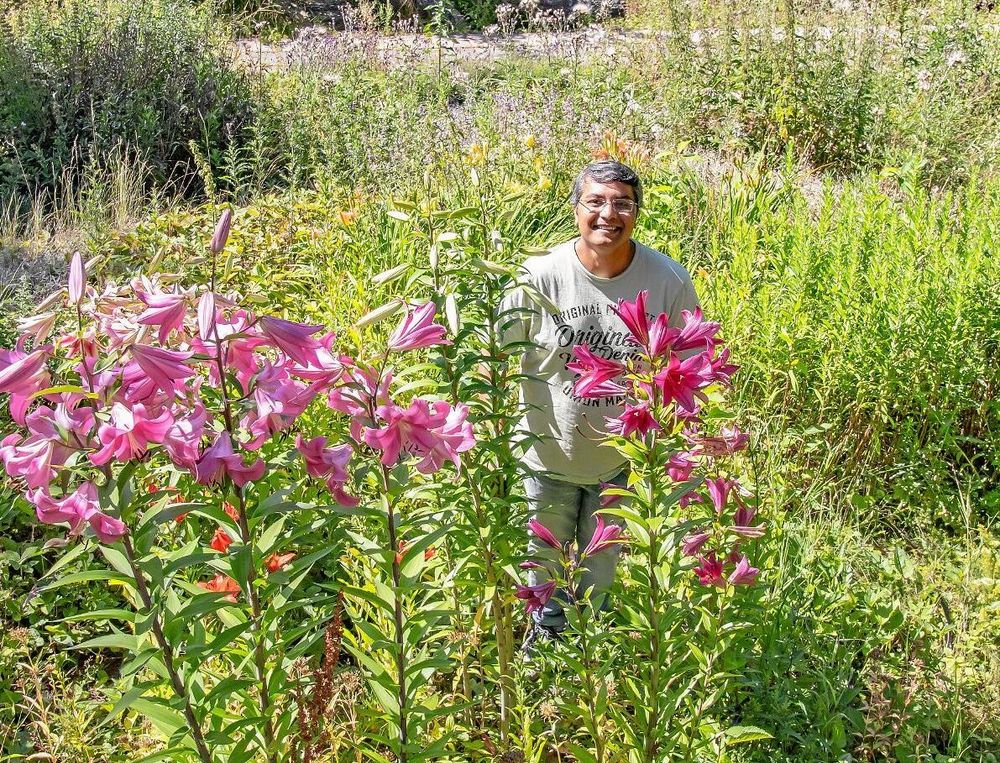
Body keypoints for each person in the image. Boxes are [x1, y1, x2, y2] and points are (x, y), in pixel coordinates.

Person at [502, 160, 700, 649]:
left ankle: (589, 662)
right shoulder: (539, 277)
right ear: (575, 210)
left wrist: (688, 439)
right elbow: (496, 356)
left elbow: (696, 366)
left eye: (623, 203)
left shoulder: (668, 280)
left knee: (599, 577)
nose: (608, 214)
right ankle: (541, 658)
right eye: (596, 201)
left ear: (636, 213)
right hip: (546, 455)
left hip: (624, 462)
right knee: (540, 573)